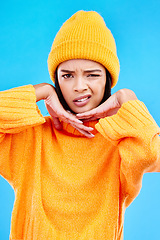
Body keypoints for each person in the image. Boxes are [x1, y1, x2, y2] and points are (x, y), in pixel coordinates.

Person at [0, 10, 160, 240]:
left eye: (92, 75)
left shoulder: (121, 142)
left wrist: (128, 99)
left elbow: (150, 154)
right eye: (67, 76)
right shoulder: (32, 136)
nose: (79, 86)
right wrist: (41, 90)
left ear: (107, 79)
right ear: (57, 79)